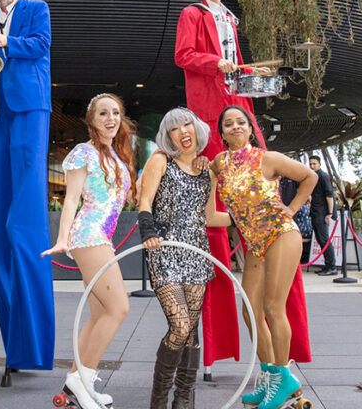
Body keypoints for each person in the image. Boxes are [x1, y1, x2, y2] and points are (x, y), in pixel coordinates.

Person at [174, 0, 272, 368]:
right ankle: (217, 340)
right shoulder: (193, 13)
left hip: (236, 99)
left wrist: (252, 71)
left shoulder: (229, 18)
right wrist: (216, 63)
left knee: (258, 172)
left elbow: (235, 65)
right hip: (210, 102)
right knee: (213, 183)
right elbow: (184, 55)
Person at [0, 0, 55, 374]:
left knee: (22, 218)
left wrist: (7, 40)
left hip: (29, 103)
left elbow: (41, 45)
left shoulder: (36, 7)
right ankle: (15, 346)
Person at [211, 105, 317, 409]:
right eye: (228, 124)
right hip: (254, 243)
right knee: (250, 313)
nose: (235, 127)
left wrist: (292, 208)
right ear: (221, 133)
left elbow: (309, 177)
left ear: (249, 128)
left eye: (240, 122)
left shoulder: (266, 158)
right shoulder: (220, 163)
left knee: (273, 306)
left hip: (282, 234)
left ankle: (282, 379)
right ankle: (273, 378)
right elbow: (204, 178)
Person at [41, 94, 137, 409]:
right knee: (118, 308)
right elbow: (71, 199)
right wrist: (62, 238)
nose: (110, 118)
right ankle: (83, 381)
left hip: (100, 238)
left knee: (99, 313)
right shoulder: (85, 152)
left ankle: (76, 383)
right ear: (91, 121)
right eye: (102, 113)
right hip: (89, 235)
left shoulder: (117, 154)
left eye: (115, 113)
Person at [138, 108, 232, 409]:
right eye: (175, 129)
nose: (182, 132)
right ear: (169, 136)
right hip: (164, 251)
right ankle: (158, 400)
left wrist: (247, 218)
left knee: (190, 331)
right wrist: (147, 231)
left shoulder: (208, 170)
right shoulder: (160, 160)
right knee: (179, 326)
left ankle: (183, 400)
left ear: (196, 128)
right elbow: (145, 201)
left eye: (186, 125)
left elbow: (209, 217)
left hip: (196, 254)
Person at [308, 155, 337, 275]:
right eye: (310, 164)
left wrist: (329, 213)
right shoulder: (313, 176)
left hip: (322, 213)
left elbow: (329, 195)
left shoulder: (323, 176)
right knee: (320, 239)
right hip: (315, 211)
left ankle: (332, 266)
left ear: (319, 164)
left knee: (324, 240)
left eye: (314, 164)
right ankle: (328, 265)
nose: (312, 166)